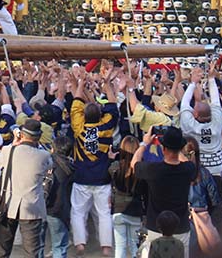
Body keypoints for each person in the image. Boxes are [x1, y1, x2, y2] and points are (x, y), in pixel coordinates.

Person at [69, 70, 118, 257]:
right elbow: (112, 107)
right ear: (100, 115)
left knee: (78, 212)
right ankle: (106, 247)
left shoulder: (79, 127)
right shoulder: (106, 127)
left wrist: (81, 83)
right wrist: (106, 84)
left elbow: (75, 104)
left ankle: (80, 244)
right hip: (102, 177)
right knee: (104, 213)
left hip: (81, 177)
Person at [131, 126, 197, 258]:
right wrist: (177, 147)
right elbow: (186, 162)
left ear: (163, 149)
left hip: (156, 226)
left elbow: (134, 164)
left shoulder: (153, 170)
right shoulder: (188, 169)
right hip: (181, 226)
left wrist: (144, 143)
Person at [0, 119, 51, 258]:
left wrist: (14, 143)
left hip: (8, 205)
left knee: (2, 251)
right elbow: (49, 166)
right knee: (31, 253)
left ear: (21, 134)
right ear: (38, 137)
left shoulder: (8, 151)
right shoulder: (43, 155)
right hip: (32, 207)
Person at [110, 136, 144, 258]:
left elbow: (108, 176)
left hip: (118, 210)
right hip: (135, 210)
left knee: (120, 246)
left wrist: (111, 159)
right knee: (135, 246)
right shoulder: (141, 169)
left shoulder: (115, 167)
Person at [45, 135, 74, 258]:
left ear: (53, 149)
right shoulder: (71, 168)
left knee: (38, 245)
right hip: (60, 210)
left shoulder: (46, 163)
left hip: (42, 206)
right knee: (60, 247)